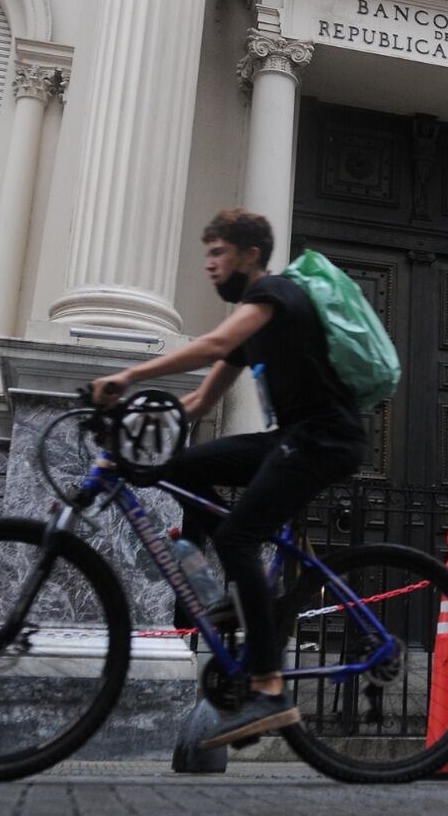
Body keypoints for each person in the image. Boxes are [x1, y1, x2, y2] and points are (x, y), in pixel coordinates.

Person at [89, 208, 367, 748]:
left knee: (240, 536)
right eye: (208, 254)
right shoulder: (254, 325)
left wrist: (129, 375)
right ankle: (212, 586)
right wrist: (133, 434)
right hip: (292, 437)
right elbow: (195, 403)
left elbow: (213, 345)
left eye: (218, 253)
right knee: (181, 465)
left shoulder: (277, 296)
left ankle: (267, 688)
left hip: (325, 438)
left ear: (250, 255)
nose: (210, 264)